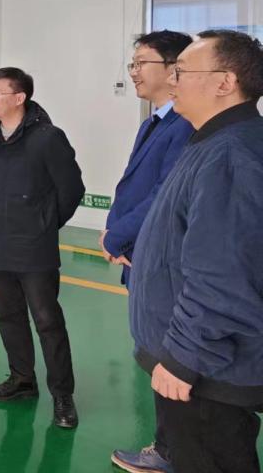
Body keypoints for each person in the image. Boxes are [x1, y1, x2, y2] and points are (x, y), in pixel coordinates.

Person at [128, 30, 263, 473]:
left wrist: (184, 358)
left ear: (225, 82)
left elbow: (224, 274)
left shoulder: (231, 155)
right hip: (196, 359)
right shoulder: (211, 140)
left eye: (182, 71)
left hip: (206, 370)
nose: (172, 80)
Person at [0, 68, 85, 429]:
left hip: (34, 248)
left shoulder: (47, 138)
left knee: (47, 321)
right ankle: (22, 379)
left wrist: (44, 224)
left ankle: (62, 395)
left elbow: (71, 189)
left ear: (19, 98)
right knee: (8, 317)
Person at [107, 31, 194, 473]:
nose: (134, 72)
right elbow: (133, 187)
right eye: (133, 64)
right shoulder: (153, 122)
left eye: (142, 63)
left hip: (162, 260)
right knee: (156, 353)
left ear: (174, 68)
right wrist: (118, 232)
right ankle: (169, 445)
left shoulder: (185, 125)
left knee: (170, 356)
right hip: (140, 254)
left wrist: (117, 235)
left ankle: (173, 451)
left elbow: (164, 195)